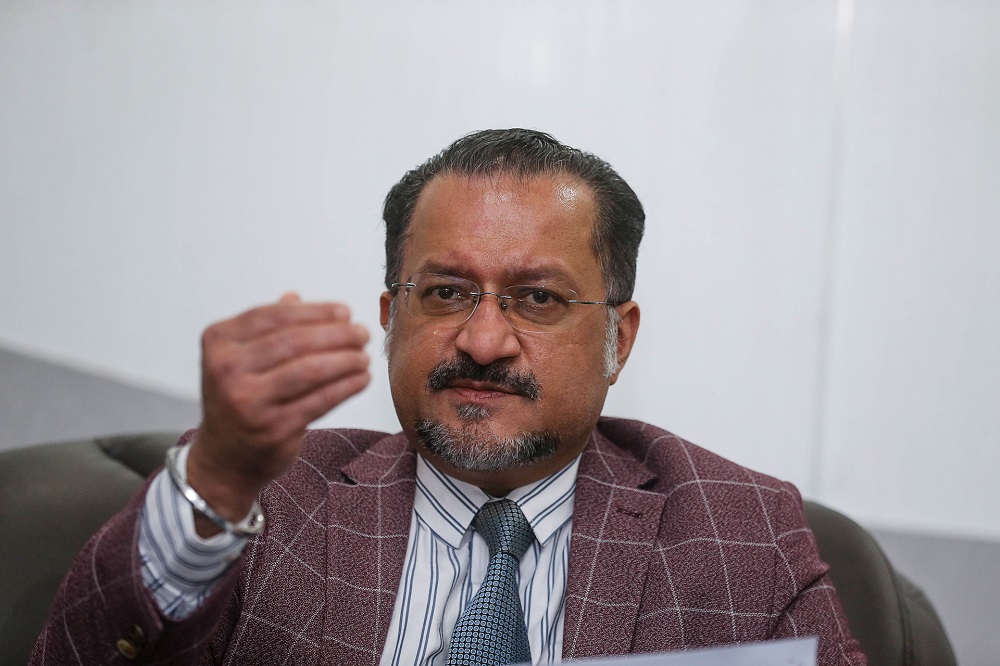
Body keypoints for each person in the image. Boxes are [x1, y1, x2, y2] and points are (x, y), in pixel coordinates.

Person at [32, 129, 866, 665]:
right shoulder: (269, 501)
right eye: (444, 294)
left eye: (537, 298)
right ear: (391, 317)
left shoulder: (740, 532)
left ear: (621, 338)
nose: (482, 340)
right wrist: (214, 476)